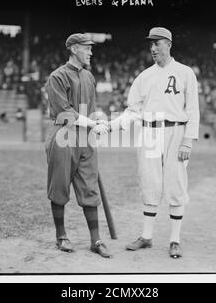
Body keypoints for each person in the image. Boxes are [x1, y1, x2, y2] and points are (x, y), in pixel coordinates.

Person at [108, 27, 200, 258]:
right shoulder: (144, 76)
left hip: (176, 132)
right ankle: (147, 236)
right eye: (150, 44)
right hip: (149, 132)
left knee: (176, 183)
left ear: (168, 44)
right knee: (149, 182)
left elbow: (193, 110)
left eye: (157, 43)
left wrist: (188, 140)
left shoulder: (185, 72)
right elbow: (132, 110)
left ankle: (174, 240)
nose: (152, 48)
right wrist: (111, 125)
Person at [45, 33, 111, 258]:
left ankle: (96, 240)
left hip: (86, 139)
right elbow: (64, 112)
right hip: (63, 136)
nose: (91, 52)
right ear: (74, 49)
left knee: (89, 189)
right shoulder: (57, 76)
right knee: (60, 187)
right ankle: (61, 236)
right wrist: (92, 123)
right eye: (87, 48)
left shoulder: (89, 77)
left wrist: (97, 120)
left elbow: (91, 108)